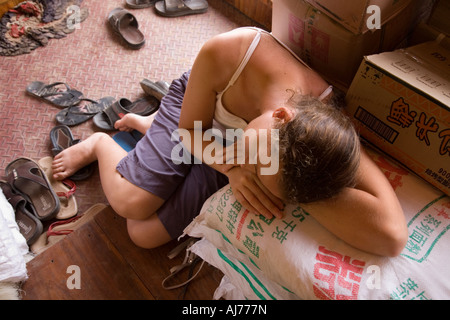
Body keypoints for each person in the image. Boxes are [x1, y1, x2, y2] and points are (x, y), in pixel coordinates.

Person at [51, 27, 407, 256]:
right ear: (281, 115)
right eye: (254, 162)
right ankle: (101, 144)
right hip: (196, 115)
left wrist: (253, 175)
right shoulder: (229, 51)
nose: (250, 168)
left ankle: (148, 129)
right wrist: (233, 164)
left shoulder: (321, 134)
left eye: (257, 170)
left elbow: (392, 236)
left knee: (143, 235)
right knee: (132, 203)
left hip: (230, 141)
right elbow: (190, 131)